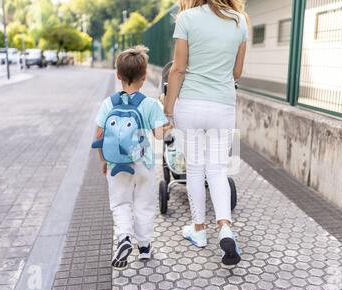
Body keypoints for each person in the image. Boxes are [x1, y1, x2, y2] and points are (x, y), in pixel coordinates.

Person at [163, 0, 248, 265]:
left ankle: (198, 231)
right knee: (218, 170)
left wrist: (168, 110)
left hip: (190, 104)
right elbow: (237, 71)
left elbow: (177, 69)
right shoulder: (239, 21)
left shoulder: (186, 19)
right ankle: (225, 227)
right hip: (223, 104)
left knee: (196, 170)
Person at [95, 46, 171, 269]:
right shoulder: (150, 104)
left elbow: (99, 134)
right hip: (143, 164)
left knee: (120, 203)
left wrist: (103, 160)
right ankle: (145, 247)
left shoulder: (108, 103)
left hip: (116, 164)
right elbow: (158, 134)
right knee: (144, 204)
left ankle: (124, 237)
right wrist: (167, 127)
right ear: (145, 76)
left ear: (117, 75)